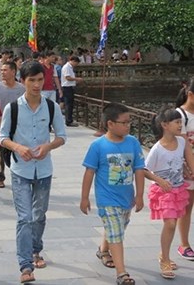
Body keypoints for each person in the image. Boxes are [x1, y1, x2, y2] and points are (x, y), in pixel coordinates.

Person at [0, 61, 66, 283]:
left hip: (44, 170)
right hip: (21, 169)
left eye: (40, 80)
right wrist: (18, 147)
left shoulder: (51, 106)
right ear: (23, 80)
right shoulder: (13, 108)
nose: (37, 85)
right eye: (32, 80)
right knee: (25, 217)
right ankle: (25, 265)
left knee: (39, 215)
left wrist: (48, 146)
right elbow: (3, 138)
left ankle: (36, 249)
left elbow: (61, 136)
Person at [80, 103, 145, 285]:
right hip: (107, 199)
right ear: (110, 123)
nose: (128, 125)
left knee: (117, 228)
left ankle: (103, 250)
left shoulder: (133, 142)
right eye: (124, 122)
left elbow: (139, 170)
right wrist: (84, 198)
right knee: (116, 233)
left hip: (126, 198)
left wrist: (140, 195)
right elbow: (89, 173)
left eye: (129, 122)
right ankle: (122, 274)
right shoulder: (98, 146)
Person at [145, 107, 194, 279]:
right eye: (177, 122)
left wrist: (187, 170)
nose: (180, 125)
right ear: (165, 125)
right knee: (171, 223)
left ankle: (164, 255)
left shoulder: (182, 142)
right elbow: (144, 169)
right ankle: (165, 259)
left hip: (178, 189)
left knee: (171, 224)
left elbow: (190, 163)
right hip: (163, 191)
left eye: (181, 122)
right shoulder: (157, 148)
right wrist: (159, 181)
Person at [0, 60, 25, 189]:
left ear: (13, 71)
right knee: (0, 153)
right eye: (1, 70)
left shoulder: (21, 88)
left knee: (16, 152)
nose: (2, 72)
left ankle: (19, 176)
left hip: (17, 125)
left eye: (5, 70)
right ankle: (0, 178)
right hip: (0, 125)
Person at [175, 77, 194, 261]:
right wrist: (183, 165)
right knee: (186, 207)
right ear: (190, 94)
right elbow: (177, 143)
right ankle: (184, 243)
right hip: (187, 169)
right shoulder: (180, 115)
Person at [61, 55, 83, 127]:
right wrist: (77, 79)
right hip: (67, 87)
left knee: (70, 104)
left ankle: (69, 119)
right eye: (76, 63)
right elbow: (68, 77)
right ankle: (68, 121)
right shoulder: (67, 67)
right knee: (68, 105)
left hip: (69, 87)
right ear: (73, 61)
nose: (76, 65)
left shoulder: (70, 67)